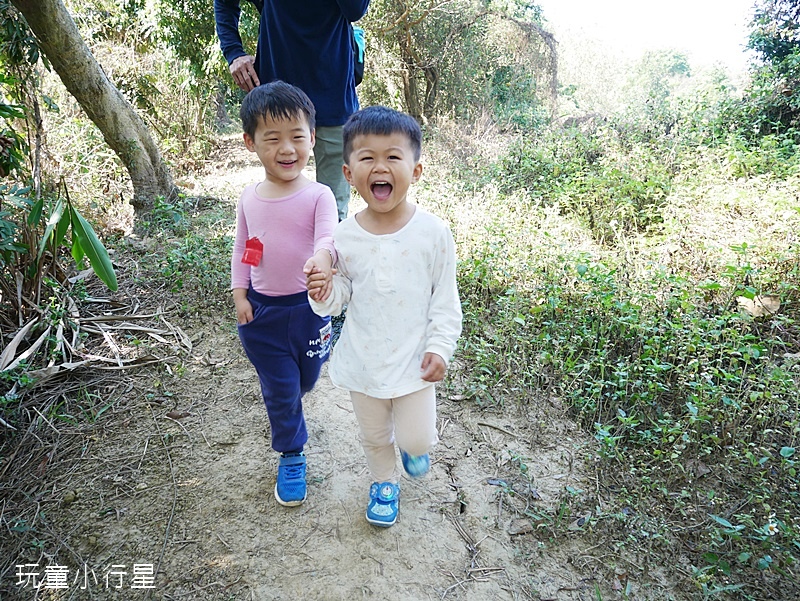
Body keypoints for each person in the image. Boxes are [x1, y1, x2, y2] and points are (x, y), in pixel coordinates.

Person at [305, 106, 462, 527]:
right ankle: (383, 483)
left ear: (417, 169)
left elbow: (445, 300)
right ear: (348, 172)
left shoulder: (433, 233)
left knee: (416, 436)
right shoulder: (343, 235)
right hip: (365, 359)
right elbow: (339, 298)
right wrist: (323, 290)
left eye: (393, 156)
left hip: (414, 362)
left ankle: (412, 447)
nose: (380, 166)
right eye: (367, 157)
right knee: (374, 436)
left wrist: (439, 348)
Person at [231, 81, 338, 507]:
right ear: (250, 142)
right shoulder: (249, 198)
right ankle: (292, 454)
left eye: (297, 136)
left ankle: (296, 392)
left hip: (309, 310)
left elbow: (328, 237)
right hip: (263, 316)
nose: (287, 148)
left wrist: (322, 261)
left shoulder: (319, 195)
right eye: (272, 138)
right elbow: (245, 249)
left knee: (306, 379)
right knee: (280, 388)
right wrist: (240, 292)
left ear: (312, 138)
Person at [214, 0, 370, 221]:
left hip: (334, 96)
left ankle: (327, 256)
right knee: (279, 201)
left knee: (333, 212)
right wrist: (233, 52)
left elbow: (355, 11)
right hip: (278, 102)